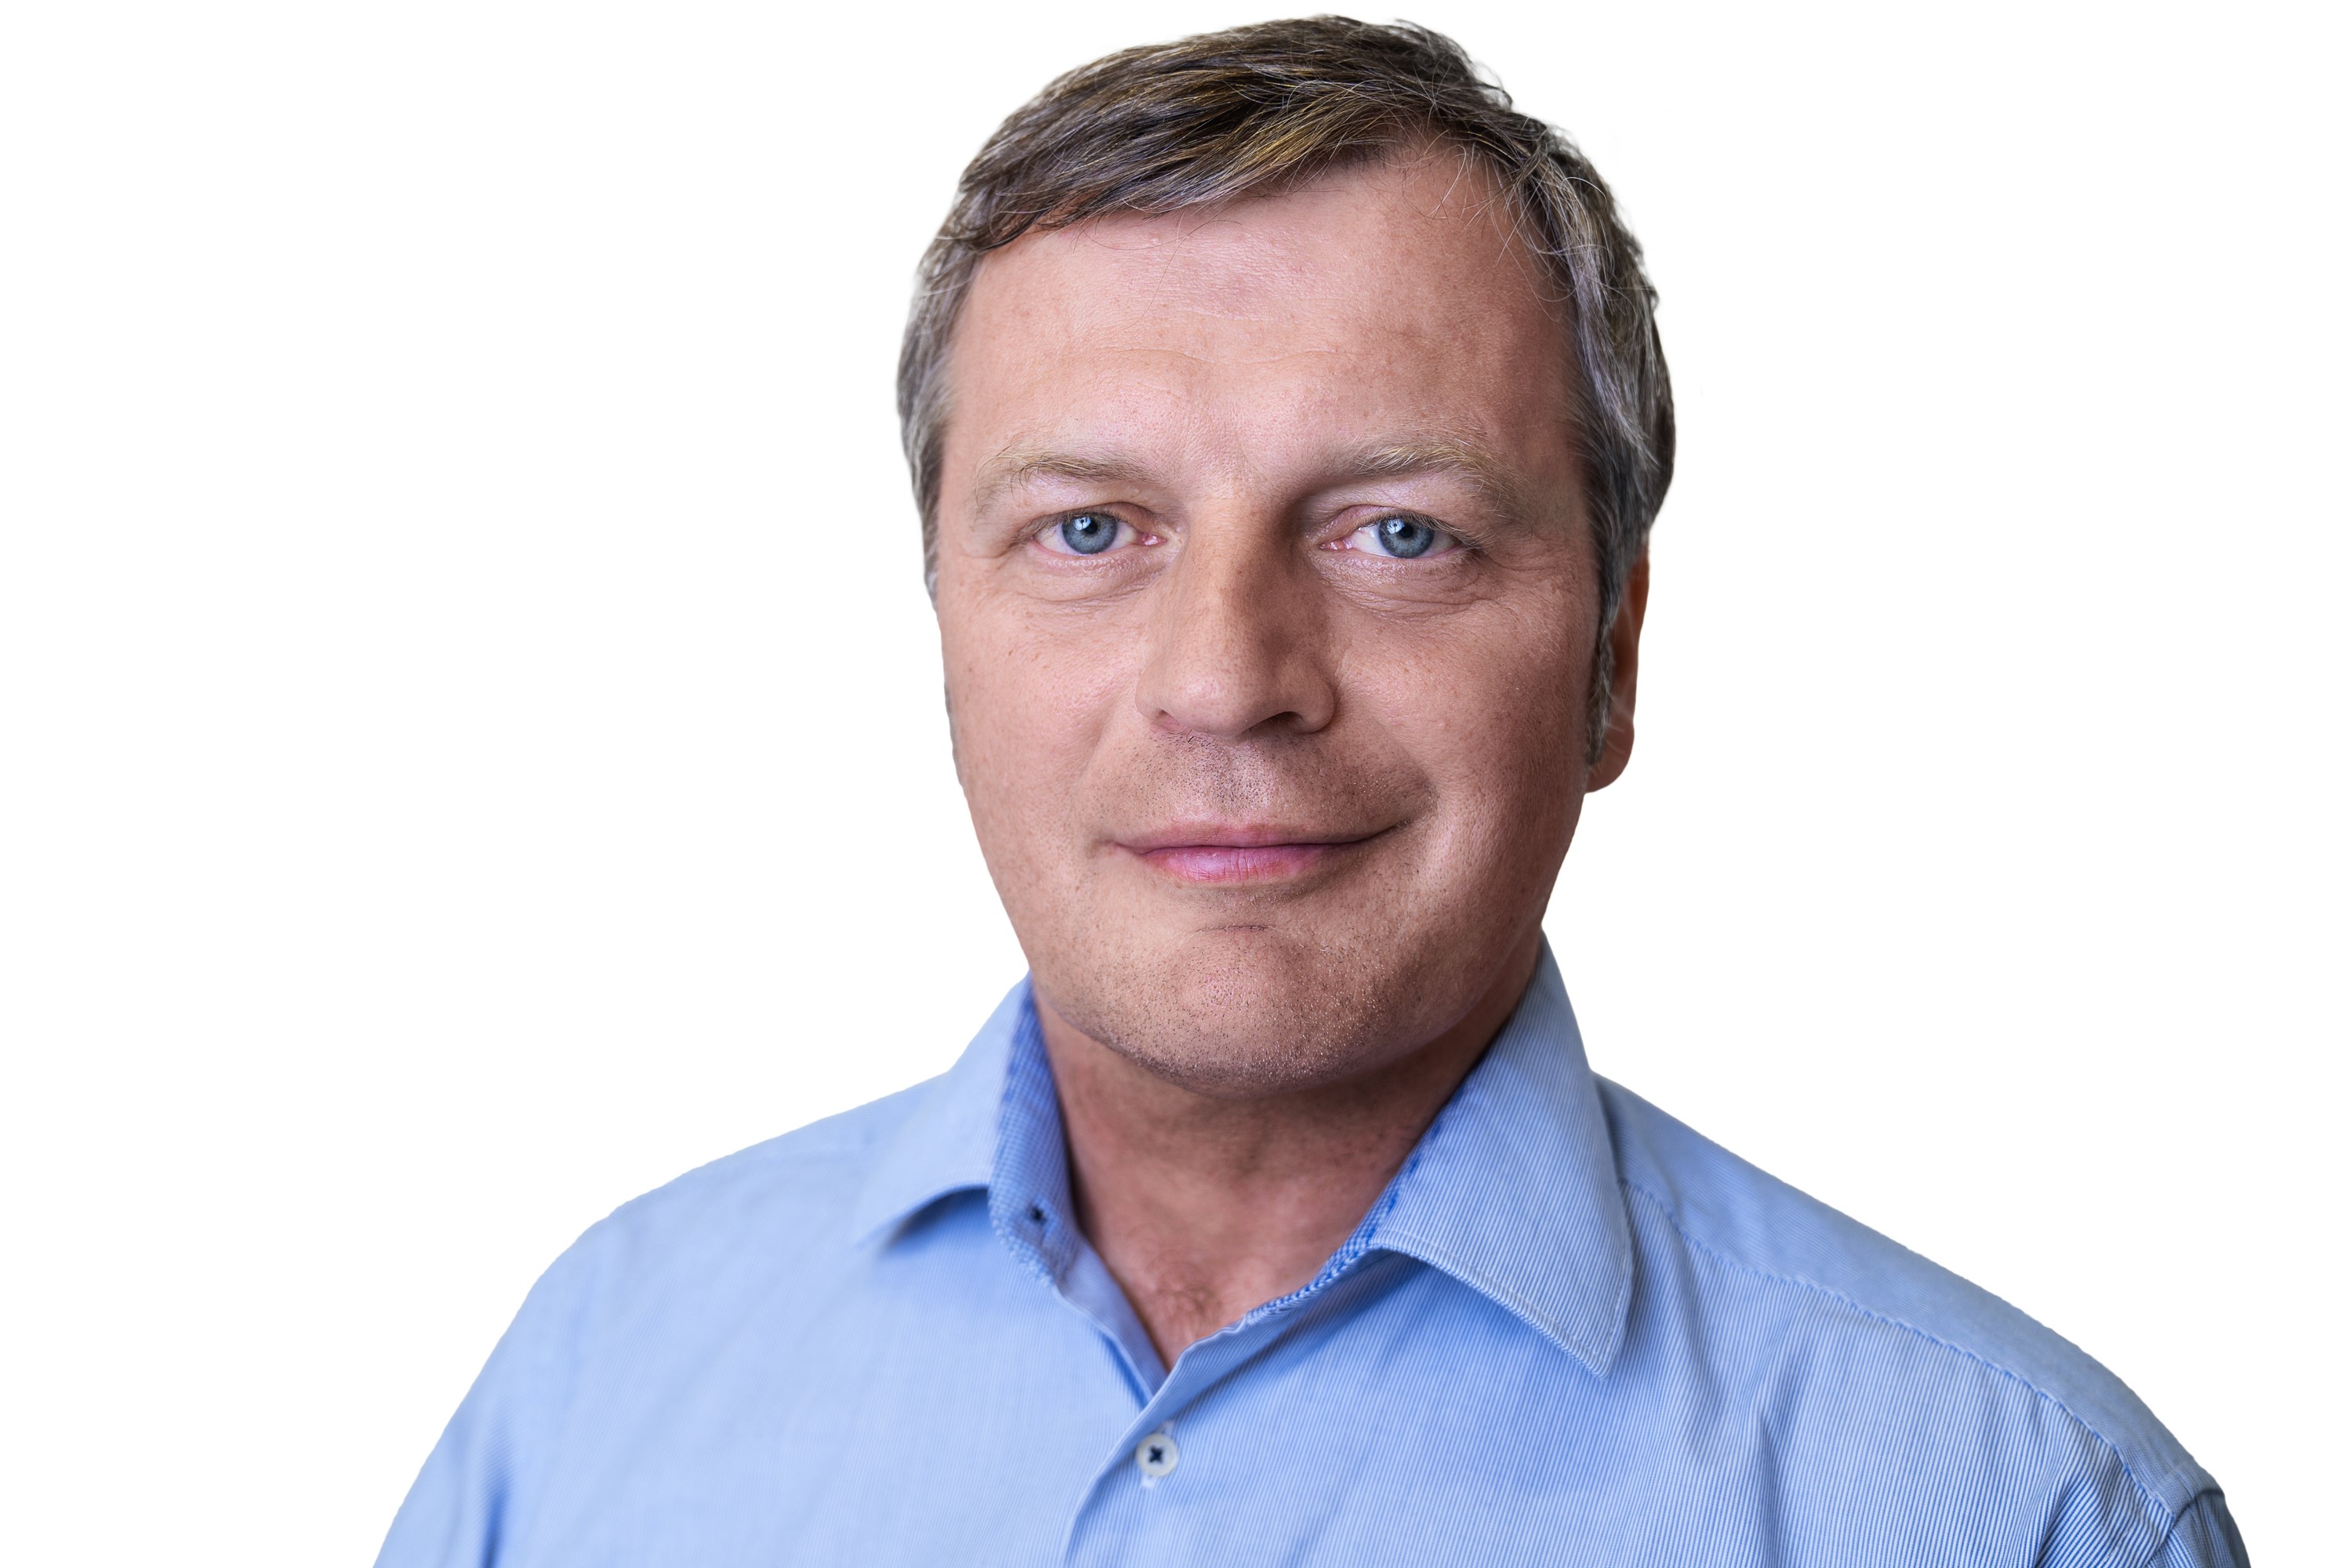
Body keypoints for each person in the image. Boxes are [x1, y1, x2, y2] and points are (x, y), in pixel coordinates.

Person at [376, 18, 2245, 1566]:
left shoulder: (2027, 1516)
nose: (1224, 679)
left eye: (1399, 532)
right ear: (943, 624)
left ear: (1610, 659)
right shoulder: (598, 1379)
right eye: (1089, 528)